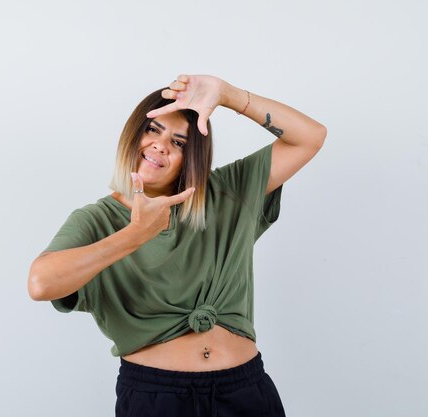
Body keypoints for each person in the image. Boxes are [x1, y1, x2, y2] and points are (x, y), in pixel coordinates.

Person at [28, 74, 326, 417]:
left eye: (180, 142)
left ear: (191, 157)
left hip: (244, 391)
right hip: (157, 397)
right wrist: (135, 234)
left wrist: (228, 96)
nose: (161, 145)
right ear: (133, 133)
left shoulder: (226, 192)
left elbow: (310, 138)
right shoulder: (96, 220)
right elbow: (41, 283)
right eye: (153, 130)